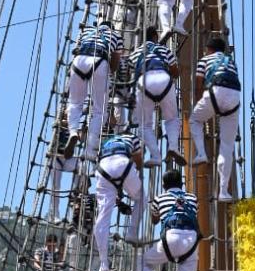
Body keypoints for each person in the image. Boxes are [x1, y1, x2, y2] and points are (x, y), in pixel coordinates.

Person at [190, 33, 241, 201]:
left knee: (195, 120)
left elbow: (199, 83)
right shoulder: (230, 62)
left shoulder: (205, 60)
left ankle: (201, 154)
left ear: (209, 49)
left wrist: (200, 104)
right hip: (234, 97)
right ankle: (223, 191)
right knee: (227, 146)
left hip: (215, 92)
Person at [66, 20, 123, 160]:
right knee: (100, 110)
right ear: (112, 28)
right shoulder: (115, 36)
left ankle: (73, 131)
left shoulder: (86, 31)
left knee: (75, 103)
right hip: (99, 61)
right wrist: (107, 74)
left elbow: (75, 50)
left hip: (79, 61)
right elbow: (115, 62)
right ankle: (90, 150)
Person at [92, 131, 144, 271]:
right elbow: (139, 162)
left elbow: (103, 165)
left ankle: (103, 264)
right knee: (141, 198)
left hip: (103, 169)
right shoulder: (133, 138)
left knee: (102, 217)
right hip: (123, 164)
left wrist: (118, 195)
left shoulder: (106, 143)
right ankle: (132, 233)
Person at [130, 25, 180, 161]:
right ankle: (173, 147)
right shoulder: (164, 50)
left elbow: (131, 74)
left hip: (144, 83)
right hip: (165, 80)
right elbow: (175, 72)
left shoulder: (136, 53)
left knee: (144, 126)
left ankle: (156, 156)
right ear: (155, 37)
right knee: (172, 119)